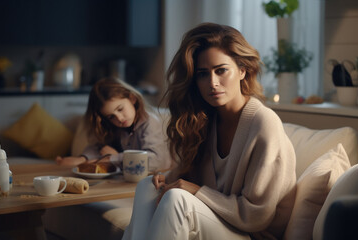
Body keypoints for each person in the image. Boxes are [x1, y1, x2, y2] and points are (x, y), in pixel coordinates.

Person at [122, 23, 297, 240]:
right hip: (218, 220)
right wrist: (166, 180)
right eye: (202, 74)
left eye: (221, 70)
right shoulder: (208, 119)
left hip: (252, 233)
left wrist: (196, 191)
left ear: (243, 70)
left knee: (178, 199)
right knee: (147, 187)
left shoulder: (263, 122)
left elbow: (256, 216)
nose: (212, 83)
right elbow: (189, 177)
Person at [56, 77, 172, 172]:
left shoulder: (149, 122)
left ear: (132, 98)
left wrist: (114, 158)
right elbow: (102, 148)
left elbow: (157, 160)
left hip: (156, 179)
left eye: (120, 109)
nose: (119, 118)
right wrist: (83, 159)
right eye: (111, 116)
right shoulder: (119, 127)